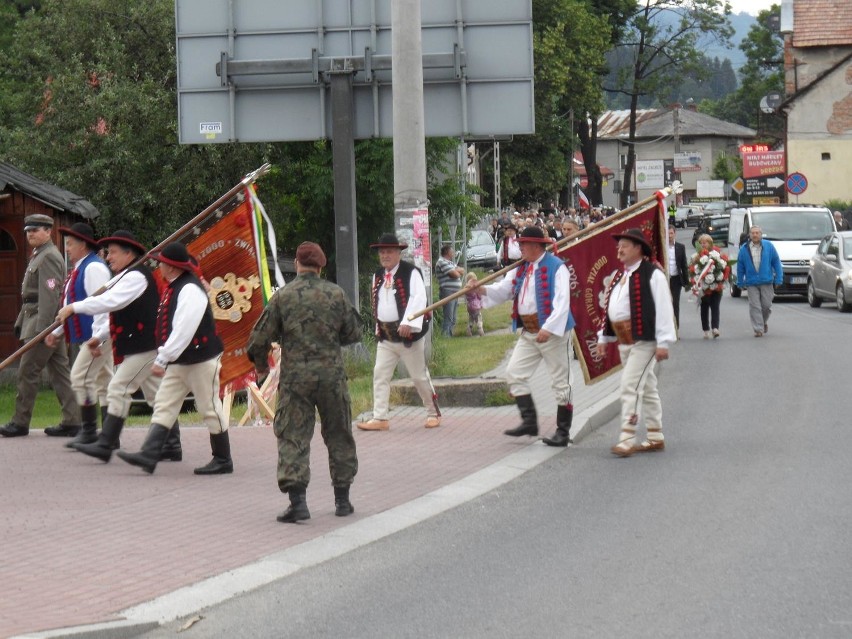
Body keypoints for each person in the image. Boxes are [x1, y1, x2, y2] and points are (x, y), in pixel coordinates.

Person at [247, 241, 361, 522]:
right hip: (332, 377)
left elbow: (257, 339)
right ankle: (342, 500)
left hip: (296, 379)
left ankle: (298, 502)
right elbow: (355, 331)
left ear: (297, 264)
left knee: (293, 436)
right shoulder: (335, 294)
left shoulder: (283, 296)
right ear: (321, 267)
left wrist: (262, 367)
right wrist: (330, 340)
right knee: (338, 433)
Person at [57, 230, 181, 463]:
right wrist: (101, 336)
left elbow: (110, 301)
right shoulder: (126, 276)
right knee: (158, 397)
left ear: (129, 253)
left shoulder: (136, 276)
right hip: (141, 345)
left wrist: (75, 307)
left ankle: (106, 443)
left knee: (118, 388)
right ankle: (171, 445)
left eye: (113, 252)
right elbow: (117, 312)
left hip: (146, 346)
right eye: (108, 252)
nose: (108, 257)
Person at [115, 242, 232, 475]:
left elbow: (183, 330)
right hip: (182, 360)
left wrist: (163, 358)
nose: (159, 267)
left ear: (172, 266)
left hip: (200, 358)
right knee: (164, 404)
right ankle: (149, 454)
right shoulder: (176, 286)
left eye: (162, 263)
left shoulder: (189, 289)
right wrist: (167, 358)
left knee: (209, 407)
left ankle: (223, 458)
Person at [476, 226, 575, 446]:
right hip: (529, 332)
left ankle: (563, 432)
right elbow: (504, 290)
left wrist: (548, 328)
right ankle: (529, 421)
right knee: (514, 373)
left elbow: (562, 303)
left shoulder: (557, 267)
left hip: (554, 334)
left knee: (561, 382)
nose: (519, 247)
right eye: (519, 244)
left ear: (537, 246)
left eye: (523, 244)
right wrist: (481, 290)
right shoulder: (520, 269)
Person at [596, 228, 676, 457]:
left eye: (625, 245)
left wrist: (663, 342)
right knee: (647, 387)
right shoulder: (620, 276)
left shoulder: (653, 274)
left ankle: (627, 437)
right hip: (626, 341)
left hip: (645, 340)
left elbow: (663, 308)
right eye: (618, 245)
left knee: (630, 385)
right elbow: (611, 310)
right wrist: (604, 337)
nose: (619, 249)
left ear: (639, 249)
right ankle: (655, 435)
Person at [1, 214, 81, 438]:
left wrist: (45, 330)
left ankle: (20, 421)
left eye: (35, 230)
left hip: (42, 323)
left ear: (48, 231)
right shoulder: (39, 255)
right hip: (36, 319)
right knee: (59, 373)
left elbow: (49, 296)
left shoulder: (49, 257)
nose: (30, 234)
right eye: (28, 231)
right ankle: (73, 420)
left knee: (28, 371)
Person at [357, 233, 441, 431]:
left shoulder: (411, 272)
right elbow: (377, 304)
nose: (384, 255)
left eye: (388, 251)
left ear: (398, 253)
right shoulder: (377, 275)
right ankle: (380, 417)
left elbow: (418, 298)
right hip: (386, 337)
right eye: (382, 252)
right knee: (380, 374)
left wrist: (408, 322)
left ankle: (432, 412)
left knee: (419, 376)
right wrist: (379, 328)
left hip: (407, 337)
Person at [44, 222, 113, 447]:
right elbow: (71, 306)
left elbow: (102, 305)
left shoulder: (94, 268)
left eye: (70, 244)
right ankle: (109, 437)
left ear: (83, 244)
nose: (67, 248)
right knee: (104, 383)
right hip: (92, 335)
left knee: (80, 378)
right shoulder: (81, 268)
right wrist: (57, 331)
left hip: (97, 336)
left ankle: (90, 431)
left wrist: (98, 338)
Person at [736, 226, 783, 337]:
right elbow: (740, 267)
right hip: (751, 282)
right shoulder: (744, 249)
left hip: (766, 280)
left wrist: (779, 278)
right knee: (755, 306)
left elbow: (776, 262)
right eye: (753, 233)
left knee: (766, 306)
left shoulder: (769, 246)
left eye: (757, 233)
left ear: (761, 234)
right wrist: (740, 281)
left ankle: (762, 322)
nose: (755, 235)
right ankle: (758, 329)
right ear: (750, 235)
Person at [690, 234, 729, 339]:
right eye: (701, 243)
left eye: (705, 242)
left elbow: (724, 266)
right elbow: (692, 270)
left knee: (715, 306)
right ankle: (706, 329)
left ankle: (715, 328)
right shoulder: (696, 256)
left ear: (710, 243)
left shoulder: (716, 254)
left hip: (716, 286)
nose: (703, 244)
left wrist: (720, 278)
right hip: (703, 287)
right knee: (704, 307)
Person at [435, 244, 464, 337]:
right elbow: (455, 275)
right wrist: (457, 272)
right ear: (447, 252)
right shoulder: (441, 262)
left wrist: (457, 271)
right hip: (447, 291)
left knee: (453, 317)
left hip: (454, 292)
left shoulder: (450, 262)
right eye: (452, 251)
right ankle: (445, 336)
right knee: (448, 316)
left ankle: (450, 335)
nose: (453, 253)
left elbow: (462, 270)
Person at [666, 226, 689, 330]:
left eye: (671, 233)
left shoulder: (681, 247)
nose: (669, 236)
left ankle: (676, 328)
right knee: (666, 303)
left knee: (675, 303)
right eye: (668, 234)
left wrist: (686, 282)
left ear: (675, 234)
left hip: (676, 279)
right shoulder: (662, 247)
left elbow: (684, 265)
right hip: (665, 279)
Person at [464, 272, 485, 336]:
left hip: (470, 307)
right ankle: (480, 328)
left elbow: (467, 296)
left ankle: (469, 329)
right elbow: (479, 296)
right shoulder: (475, 288)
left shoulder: (466, 289)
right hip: (476, 306)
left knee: (471, 318)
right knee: (479, 317)